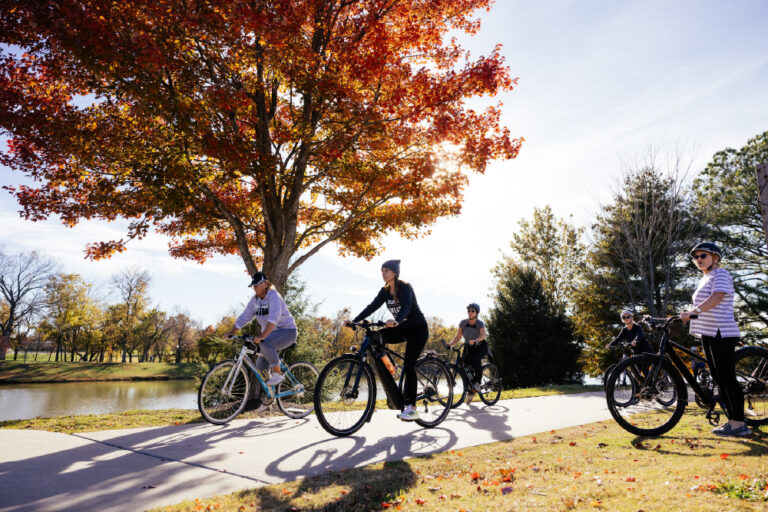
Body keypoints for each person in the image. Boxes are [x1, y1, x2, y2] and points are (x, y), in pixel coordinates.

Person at [680, 242, 749, 437]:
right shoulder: (706, 278)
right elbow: (706, 304)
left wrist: (694, 311)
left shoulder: (720, 274)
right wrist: (688, 315)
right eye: (696, 257)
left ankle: (739, 423)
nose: (699, 259)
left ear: (715, 257)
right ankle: (732, 421)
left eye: (703, 255)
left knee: (726, 377)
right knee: (719, 378)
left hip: (722, 332)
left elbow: (717, 297)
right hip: (708, 332)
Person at [348, 259, 428, 421]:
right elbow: (372, 306)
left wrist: (397, 320)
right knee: (374, 337)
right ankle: (394, 369)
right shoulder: (384, 291)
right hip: (402, 328)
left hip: (417, 329)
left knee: (409, 365)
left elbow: (406, 307)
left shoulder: (405, 287)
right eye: (382, 270)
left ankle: (412, 408)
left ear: (395, 273)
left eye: (386, 270)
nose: (383, 273)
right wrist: (354, 321)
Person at [226, 271, 297, 387]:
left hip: (288, 332)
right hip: (271, 336)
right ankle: (271, 393)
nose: (255, 288)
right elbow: (245, 316)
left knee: (265, 343)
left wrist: (263, 336)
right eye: (253, 286)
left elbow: (273, 319)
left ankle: (278, 373)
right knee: (260, 367)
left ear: (265, 284)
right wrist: (232, 331)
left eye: (257, 285)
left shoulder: (274, 296)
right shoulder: (255, 301)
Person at [447, 302, 489, 404]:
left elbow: (483, 334)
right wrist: (450, 344)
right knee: (463, 367)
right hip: (468, 347)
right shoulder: (463, 323)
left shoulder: (479, 323)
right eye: (469, 310)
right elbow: (458, 336)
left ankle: (477, 383)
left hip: (480, 346)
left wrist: (476, 340)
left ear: (476, 313)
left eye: (472, 311)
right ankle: (471, 390)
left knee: (476, 360)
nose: (470, 312)